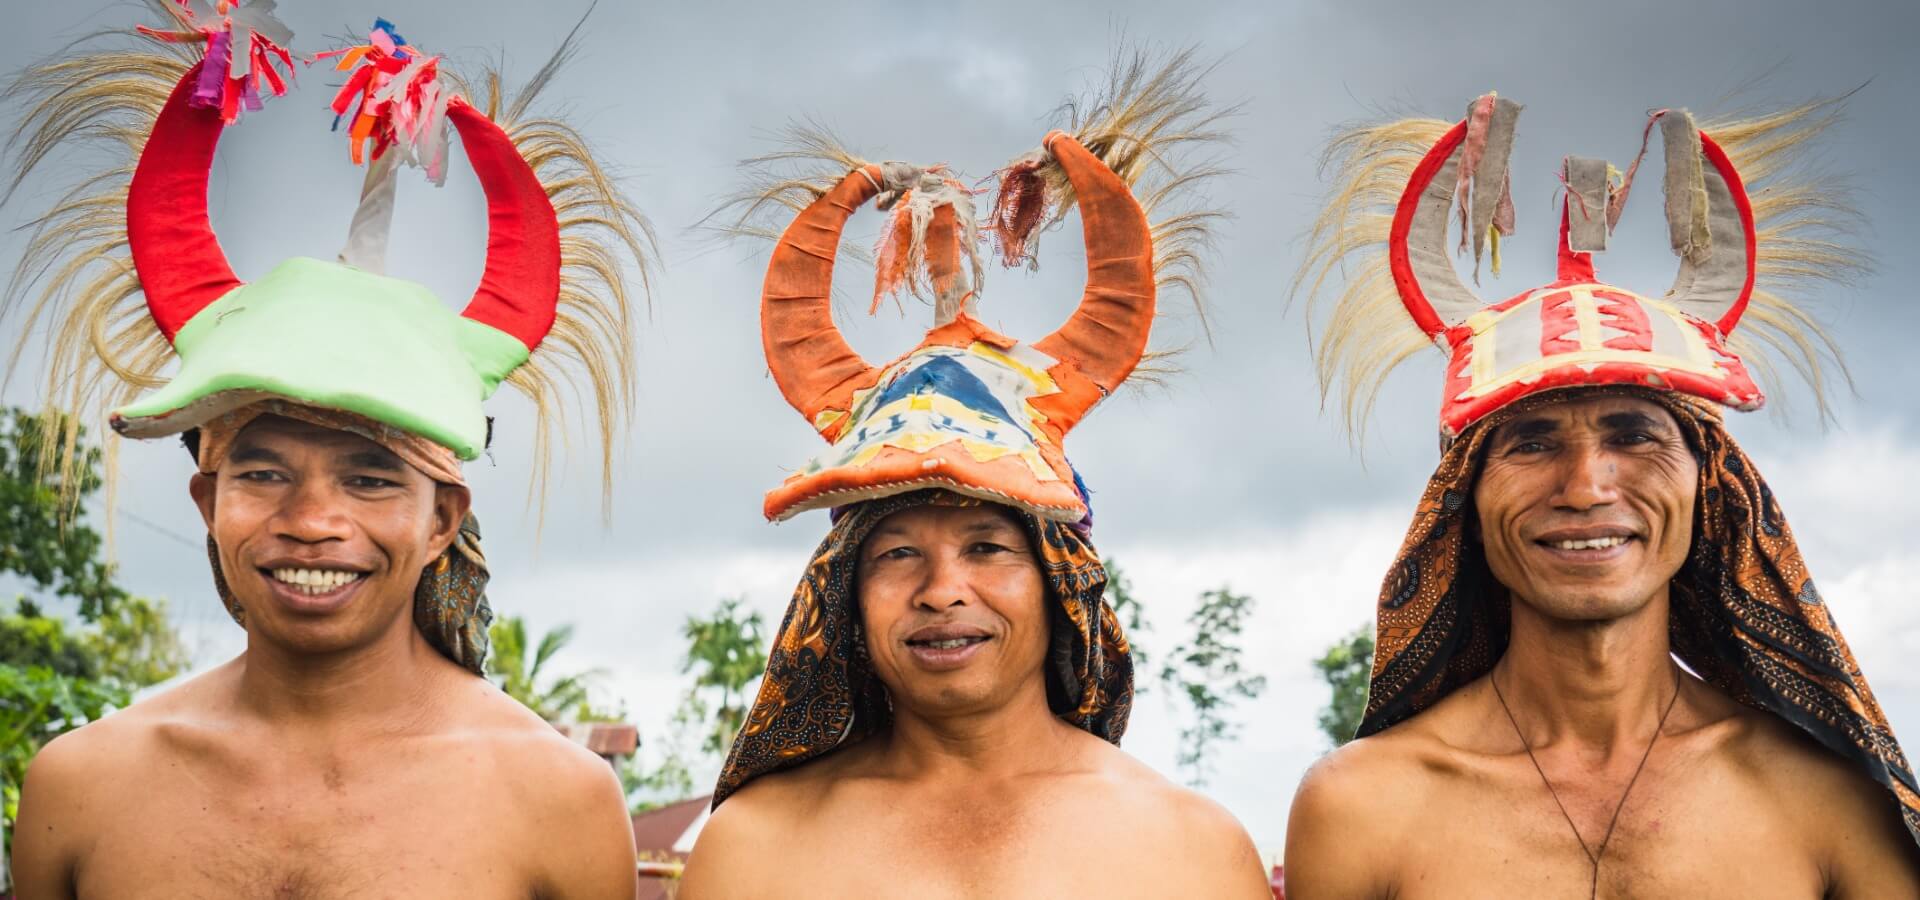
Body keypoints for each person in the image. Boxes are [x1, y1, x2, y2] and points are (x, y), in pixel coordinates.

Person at [6, 10, 650, 898]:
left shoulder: (557, 800)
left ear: (442, 520)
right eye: (264, 472)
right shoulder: (83, 788)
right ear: (208, 500)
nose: (311, 522)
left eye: (371, 477)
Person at [1284, 92, 1920, 897]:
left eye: (1634, 435)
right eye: (1532, 443)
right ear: (1463, 502)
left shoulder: (1829, 801)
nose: (1585, 487)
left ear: (1711, 486)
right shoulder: (1362, 807)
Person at [677, 52, 1271, 899]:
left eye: (989, 545)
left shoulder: (1189, 849)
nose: (942, 590)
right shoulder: (753, 848)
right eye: (896, 554)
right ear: (840, 588)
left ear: (1062, 582)